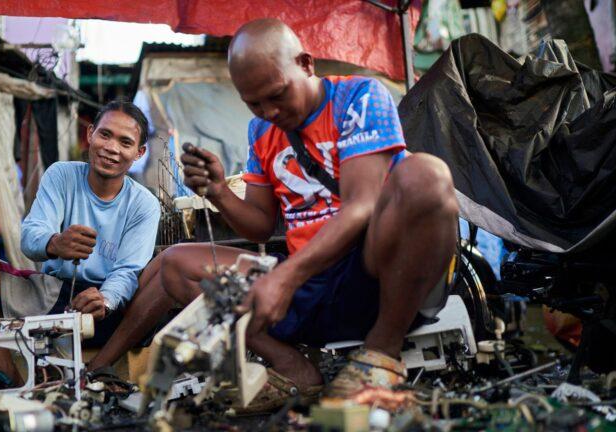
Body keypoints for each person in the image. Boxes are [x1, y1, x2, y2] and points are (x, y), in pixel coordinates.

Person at [89, 18, 459, 412]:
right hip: (308, 287)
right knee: (178, 264)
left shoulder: (360, 97)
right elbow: (261, 226)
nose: (269, 111)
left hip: (372, 275)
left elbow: (362, 205)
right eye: (254, 103)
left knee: (426, 176)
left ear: (306, 63)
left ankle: (380, 357)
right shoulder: (261, 131)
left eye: (278, 95)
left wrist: (285, 276)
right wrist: (217, 191)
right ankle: (292, 366)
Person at [0, 100, 161, 386]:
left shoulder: (144, 204)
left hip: (103, 309)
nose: (111, 148)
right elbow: (31, 235)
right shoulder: (61, 175)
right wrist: (54, 243)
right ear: (90, 134)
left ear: (139, 153)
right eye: (105, 135)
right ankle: (8, 376)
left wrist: (105, 300)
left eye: (125, 142)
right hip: (51, 293)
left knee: (160, 283)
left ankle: (95, 370)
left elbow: (127, 272)